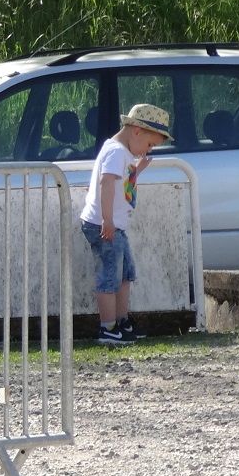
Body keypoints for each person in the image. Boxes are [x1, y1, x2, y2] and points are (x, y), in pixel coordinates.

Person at [79, 103, 171, 346]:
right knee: (110, 275)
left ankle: (121, 321)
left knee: (125, 273)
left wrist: (137, 170)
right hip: (105, 226)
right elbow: (106, 183)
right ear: (137, 131)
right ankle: (108, 327)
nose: (148, 150)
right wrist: (106, 220)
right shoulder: (117, 152)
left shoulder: (124, 153)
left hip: (115, 225)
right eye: (150, 144)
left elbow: (122, 184)